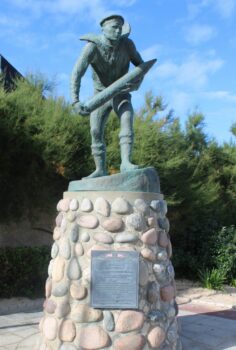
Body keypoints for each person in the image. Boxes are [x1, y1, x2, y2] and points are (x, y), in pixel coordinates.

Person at [71, 14, 144, 178]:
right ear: (103, 29)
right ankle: (100, 169)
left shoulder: (128, 45)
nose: (118, 31)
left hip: (121, 94)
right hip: (100, 95)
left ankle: (126, 162)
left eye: (120, 27)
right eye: (114, 27)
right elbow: (76, 73)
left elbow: (141, 65)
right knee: (95, 131)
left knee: (126, 118)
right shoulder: (92, 47)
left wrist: (137, 84)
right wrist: (75, 100)